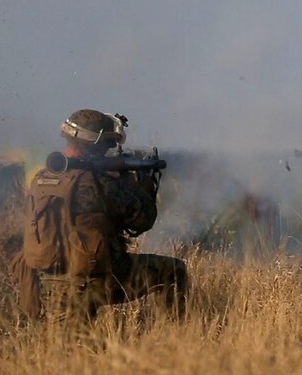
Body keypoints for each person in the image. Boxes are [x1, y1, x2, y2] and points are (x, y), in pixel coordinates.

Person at [13, 109, 188, 323]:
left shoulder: (42, 178)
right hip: (90, 280)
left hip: (46, 280)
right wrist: (143, 188)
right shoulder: (99, 183)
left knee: (69, 348)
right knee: (174, 272)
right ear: (96, 145)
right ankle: (176, 337)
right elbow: (143, 221)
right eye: (106, 146)